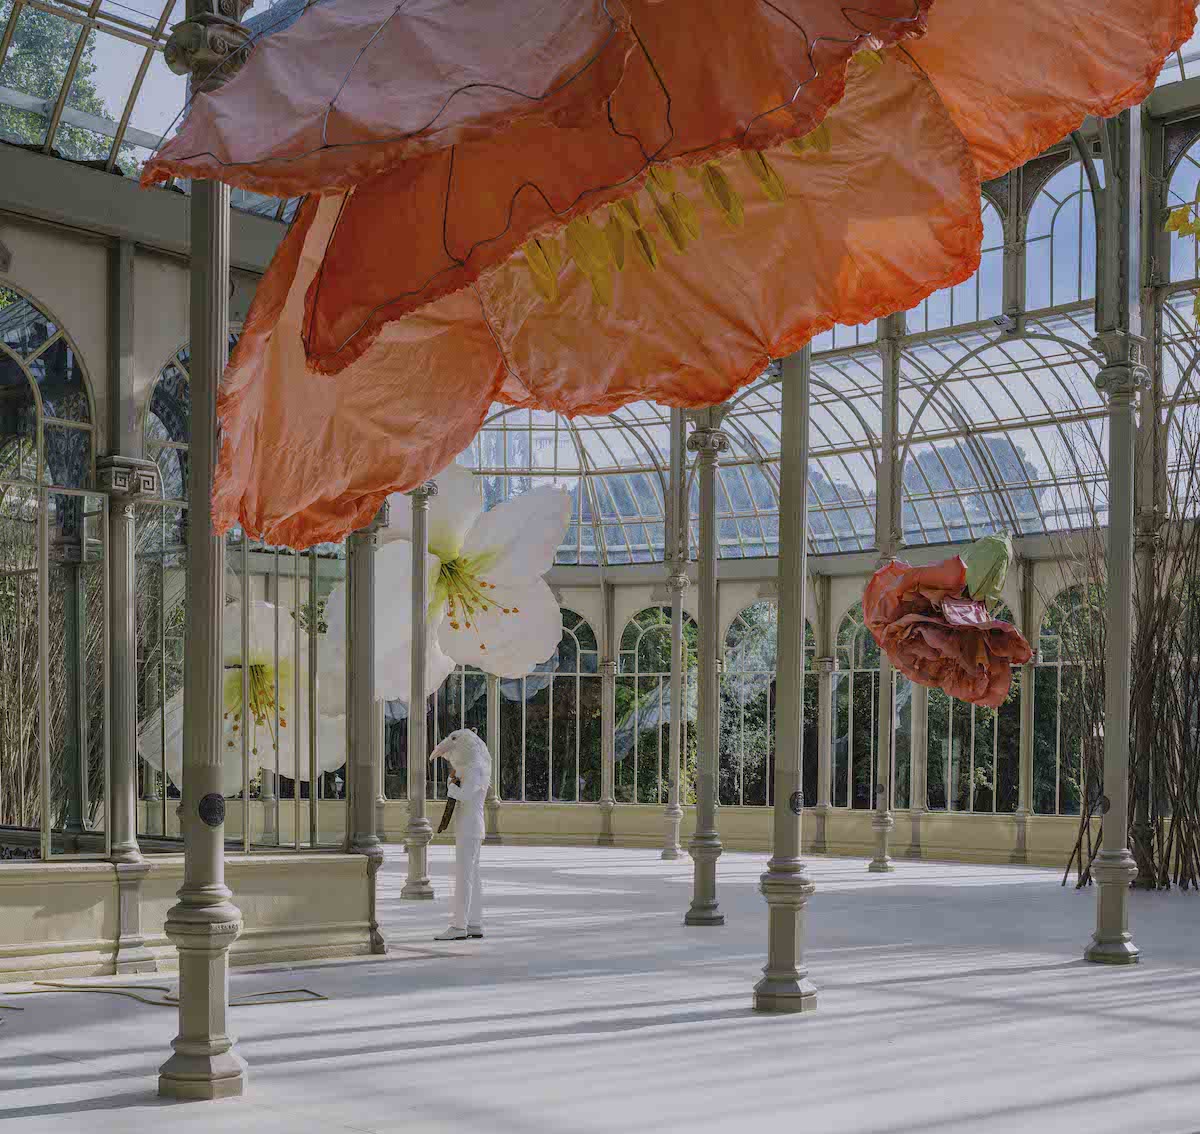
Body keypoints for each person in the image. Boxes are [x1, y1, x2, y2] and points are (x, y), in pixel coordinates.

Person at [428, 728, 491, 941]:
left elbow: (464, 795)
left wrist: (450, 786)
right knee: (473, 875)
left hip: (469, 828)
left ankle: (458, 926)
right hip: (473, 826)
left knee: (463, 876)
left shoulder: (475, 768)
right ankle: (474, 923)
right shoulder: (478, 766)